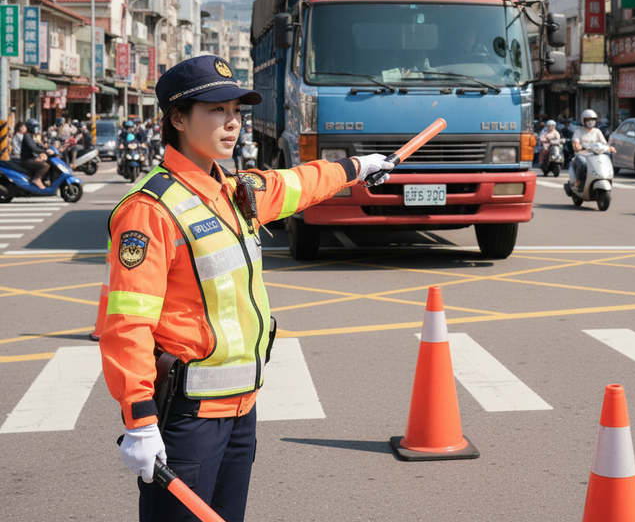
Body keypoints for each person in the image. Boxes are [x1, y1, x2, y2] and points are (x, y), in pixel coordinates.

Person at [99, 55, 395, 522]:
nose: (232, 122)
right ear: (177, 118)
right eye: (216, 110)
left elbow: (298, 183)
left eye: (236, 111)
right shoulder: (150, 210)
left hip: (241, 411)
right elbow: (127, 323)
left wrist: (357, 166)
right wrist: (139, 421)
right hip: (188, 419)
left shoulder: (238, 191)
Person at [571, 109, 615, 189]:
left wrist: (609, 147)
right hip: (583, 154)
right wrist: (577, 145)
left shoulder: (597, 131)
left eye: (593, 120)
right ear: (583, 121)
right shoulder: (579, 131)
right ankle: (579, 181)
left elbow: (604, 143)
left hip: (596, 155)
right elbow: (575, 141)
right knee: (583, 164)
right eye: (588, 120)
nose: (591, 122)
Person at [20, 119, 53, 190]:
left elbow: (38, 146)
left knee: (48, 162)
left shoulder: (31, 136)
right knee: (45, 166)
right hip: (27, 160)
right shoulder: (27, 137)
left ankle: (45, 180)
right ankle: (37, 179)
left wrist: (44, 148)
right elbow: (34, 148)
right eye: (35, 127)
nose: (37, 129)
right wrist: (45, 151)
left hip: (31, 158)